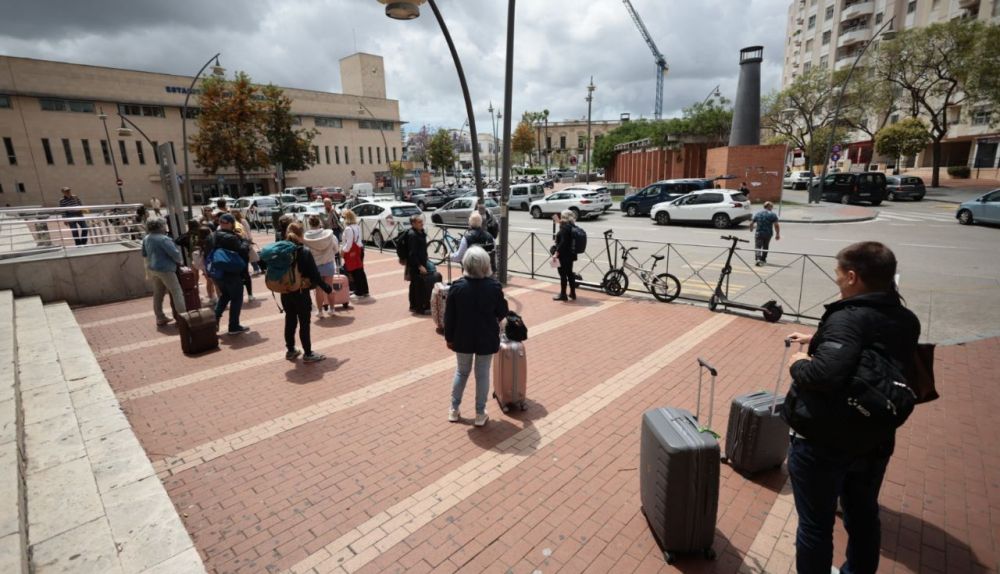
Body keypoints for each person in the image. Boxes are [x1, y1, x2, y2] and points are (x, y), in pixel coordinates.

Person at [783, 241, 920, 574]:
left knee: (815, 525)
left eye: (838, 272)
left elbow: (823, 374)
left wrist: (799, 361)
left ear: (853, 277)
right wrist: (817, 340)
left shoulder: (848, 317)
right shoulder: (905, 317)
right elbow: (869, 353)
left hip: (826, 438)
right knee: (863, 516)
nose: (836, 277)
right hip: (874, 437)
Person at [444, 246, 508, 427]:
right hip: (486, 337)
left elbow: (449, 317)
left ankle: (454, 409)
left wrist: (449, 338)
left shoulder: (457, 286)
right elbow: (502, 312)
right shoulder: (494, 286)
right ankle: (480, 413)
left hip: (462, 337)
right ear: (486, 265)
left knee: (461, 372)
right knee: (482, 375)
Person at [282, 222, 333, 362]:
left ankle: (290, 350)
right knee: (304, 323)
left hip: (285, 292)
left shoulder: (281, 250)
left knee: (290, 320)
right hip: (300, 292)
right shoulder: (303, 251)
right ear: (301, 234)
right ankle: (308, 353)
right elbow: (315, 275)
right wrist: (326, 288)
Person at [205, 213, 251, 335]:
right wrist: (246, 242)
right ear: (231, 224)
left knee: (225, 296)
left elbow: (206, 254)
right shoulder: (232, 237)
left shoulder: (211, 236)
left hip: (217, 273)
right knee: (236, 298)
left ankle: (215, 320)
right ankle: (234, 326)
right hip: (231, 273)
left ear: (220, 223)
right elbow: (243, 252)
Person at [141, 218, 186, 326]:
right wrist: (180, 262)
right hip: (166, 269)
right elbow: (175, 254)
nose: (165, 227)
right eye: (164, 225)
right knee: (177, 292)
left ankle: (160, 317)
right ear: (160, 226)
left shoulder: (146, 238)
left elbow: (144, 254)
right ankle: (183, 319)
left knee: (158, 294)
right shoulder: (163, 239)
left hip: (153, 269)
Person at [303, 215, 340, 318]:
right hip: (328, 263)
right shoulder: (329, 235)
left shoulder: (306, 237)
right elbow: (336, 249)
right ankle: (332, 309)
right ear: (319, 223)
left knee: (318, 289)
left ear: (309, 224)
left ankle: (320, 311)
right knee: (329, 287)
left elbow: (305, 253)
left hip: (315, 266)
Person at [405, 214, 432, 314]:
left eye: (422, 221)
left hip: (421, 262)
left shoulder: (420, 232)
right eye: (419, 222)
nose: (422, 223)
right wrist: (419, 266)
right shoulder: (413, 235)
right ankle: (419, 308)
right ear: (413, 224)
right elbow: (412, 253)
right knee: (417, 286)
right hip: (416, 265)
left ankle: (413, 305)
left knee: (415, 285)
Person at [551, 210, 578, 301]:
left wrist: (556, 253)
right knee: (570, 273)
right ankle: (573, 293)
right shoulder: (572, 226)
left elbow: (563, 242)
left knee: (563, 274)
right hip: (571, 255)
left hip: (563, 255)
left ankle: (563, 294)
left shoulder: (564, 228)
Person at [749, 201, 781, 266]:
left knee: (758, 246)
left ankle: (758, 259)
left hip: (759, 233)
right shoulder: (772, 214)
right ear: (769, 207)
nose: (772, 208)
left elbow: (751, 223)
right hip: (768, 234)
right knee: (765, 246)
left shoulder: (758, 213)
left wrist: (751, 229)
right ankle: (763, 259)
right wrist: (777, 234)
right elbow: (776, 225)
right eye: (771, 206)